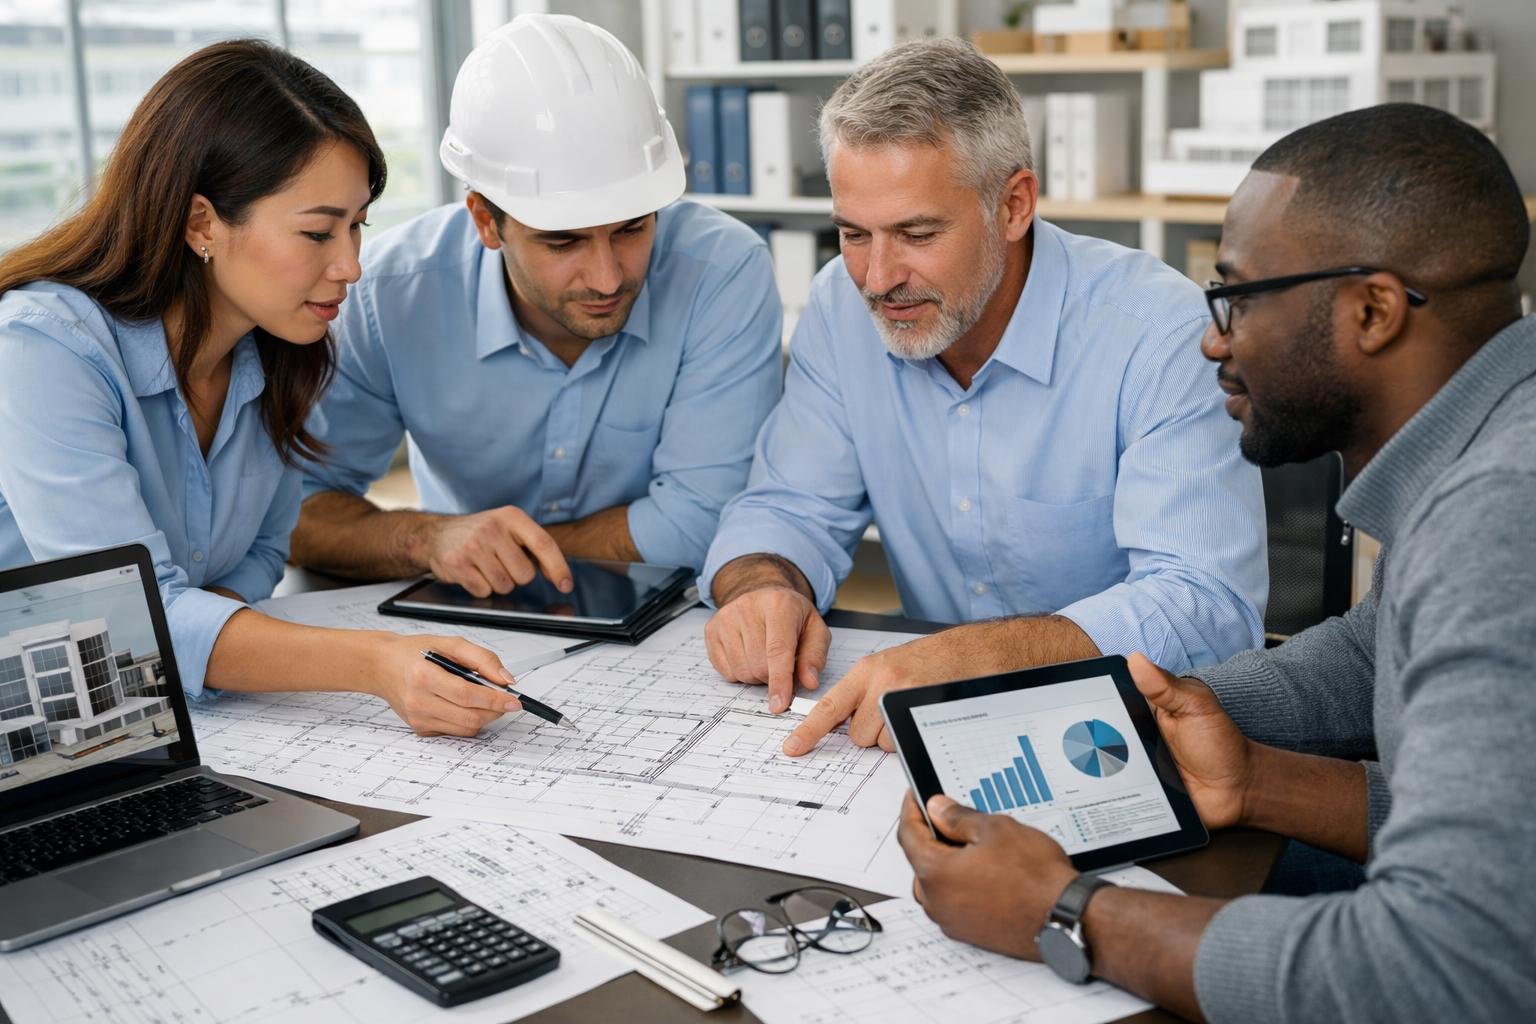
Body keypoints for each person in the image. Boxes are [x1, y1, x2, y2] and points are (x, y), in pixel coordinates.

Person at [896, 103, 1536, 1022]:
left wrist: (1064, 912)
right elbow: (1374, 658)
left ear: (1373, 310)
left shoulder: (1501, 518)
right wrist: (1215, 752)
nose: (1212, 339)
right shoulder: (1490, 446)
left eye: (1237, 298)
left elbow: (1438, 970)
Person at [700, 39, 1267, 746]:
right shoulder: (840, 308)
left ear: (1014, 205)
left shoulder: (1156, 333)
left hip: (1134, 733)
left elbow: (1205, 606)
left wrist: (975, 657)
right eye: (852, 234)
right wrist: (762, 586)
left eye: (916, 233)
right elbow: (790, 506)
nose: (877, 278)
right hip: (933, 723)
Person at [0, 40, 523, 738]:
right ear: (201, 224)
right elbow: (122, 617)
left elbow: (262, 554)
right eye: (317, 232)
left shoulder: (281, 350)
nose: (351, 266)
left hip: (148, 724)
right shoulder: (44, 347)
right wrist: (375, 664)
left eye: (358, 226)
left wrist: (196, 639)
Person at [290, 14, 782, 595]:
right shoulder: (387, 294)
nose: (607, 278)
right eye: (562, 240)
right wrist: (431, 541)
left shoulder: (724, 273)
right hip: (461, 618)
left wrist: (488, 553)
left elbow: (700, 524)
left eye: (632, 229)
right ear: (485, 220)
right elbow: (294, 512)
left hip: (672, 621)